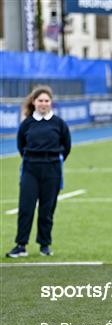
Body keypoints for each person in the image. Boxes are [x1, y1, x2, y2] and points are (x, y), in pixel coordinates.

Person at [6, 85, 71, 258]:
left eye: (46, 101)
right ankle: (21, 245)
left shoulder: (59, 123)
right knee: (26, 208)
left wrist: (52, 160)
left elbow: (67, 146)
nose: (43, 104)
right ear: (34, 102)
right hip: (30, 169)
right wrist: (33, 159)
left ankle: (44, 245)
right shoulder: (27, 124)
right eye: (40, 100)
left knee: (47, 209)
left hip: (52, 169)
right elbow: (21, 146)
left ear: (51, 103)